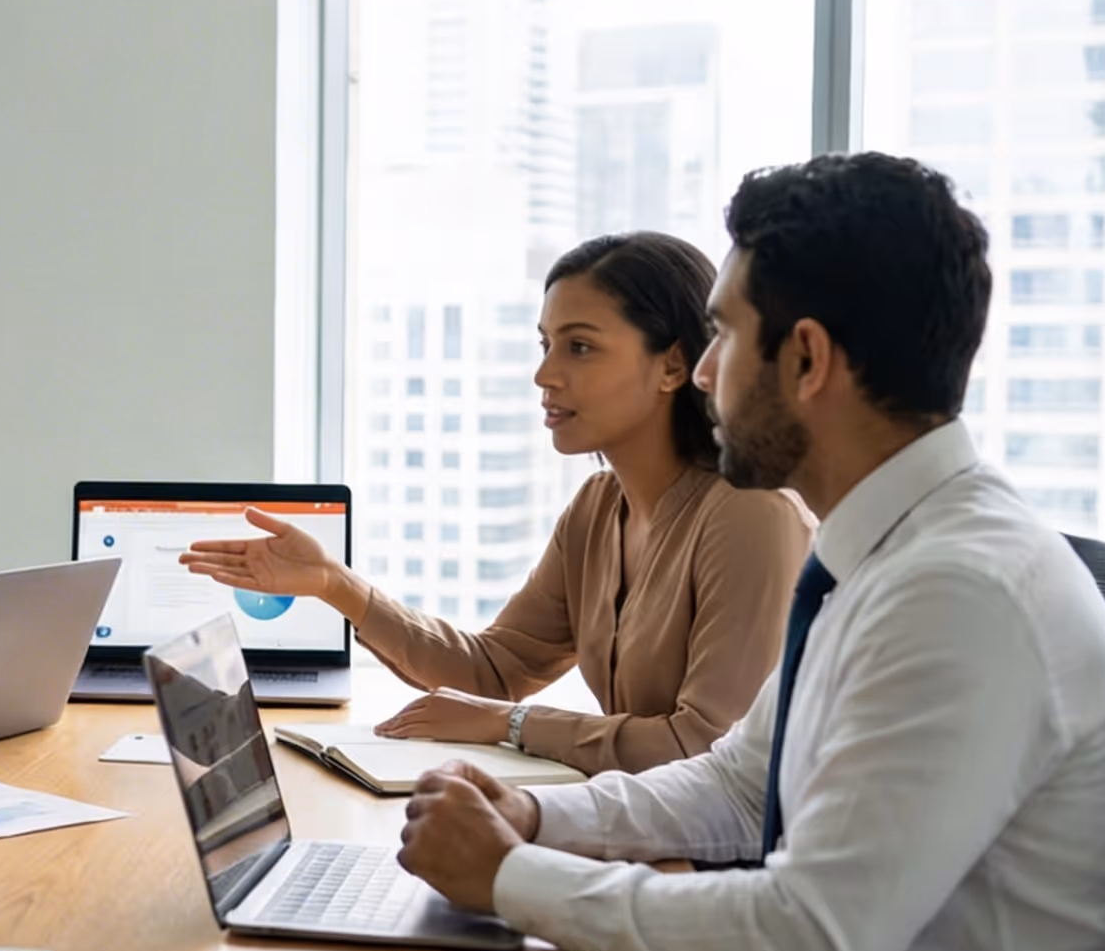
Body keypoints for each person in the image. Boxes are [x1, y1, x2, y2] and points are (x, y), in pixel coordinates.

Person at [396, 153, 1105, 951]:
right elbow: (733, 785)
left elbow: (811, 942)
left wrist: (511, 881)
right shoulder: (886, 552)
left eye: (722, 334)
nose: (705, 371)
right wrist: (534, 817)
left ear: (805, 360)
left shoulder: (957, 591)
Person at [181, 231, 809, 774]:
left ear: (672, 366)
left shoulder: (750, 514)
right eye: (545, 345)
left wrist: (510, 724)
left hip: (714, 860)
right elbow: (492, 671)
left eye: (579, 347)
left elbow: (706, 748)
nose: (545, 375)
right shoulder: (597, 509)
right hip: (636, 830)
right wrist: (334, 584)